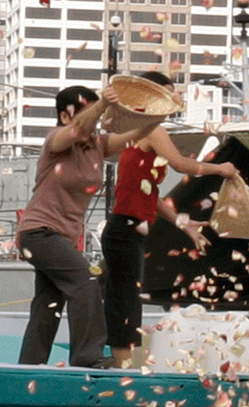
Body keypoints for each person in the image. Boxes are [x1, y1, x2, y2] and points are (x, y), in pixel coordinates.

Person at [100, 70, 237, 365]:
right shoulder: (150, 129)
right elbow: (179, 164)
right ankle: (123, 362)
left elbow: (149, 193)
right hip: (124, 227)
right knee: (125, 298)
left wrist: (181, 222)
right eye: (169, 92)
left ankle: (124, 359)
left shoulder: (137, 132)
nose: (176, 97)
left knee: (125, 295)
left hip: (127, 227)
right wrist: (220, 168)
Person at [16, 83, 128, 367]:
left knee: (48, 304)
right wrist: (102, 104)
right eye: (86, 113)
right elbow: (78, 130)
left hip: (60, 238)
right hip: (38, 232)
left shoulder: (96, 146)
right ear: (66, 117)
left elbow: (134, 136)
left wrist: (156, 117)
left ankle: (30, 364)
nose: (94, 120)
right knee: (85, 281)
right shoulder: (56, 140)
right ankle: (87, 357)